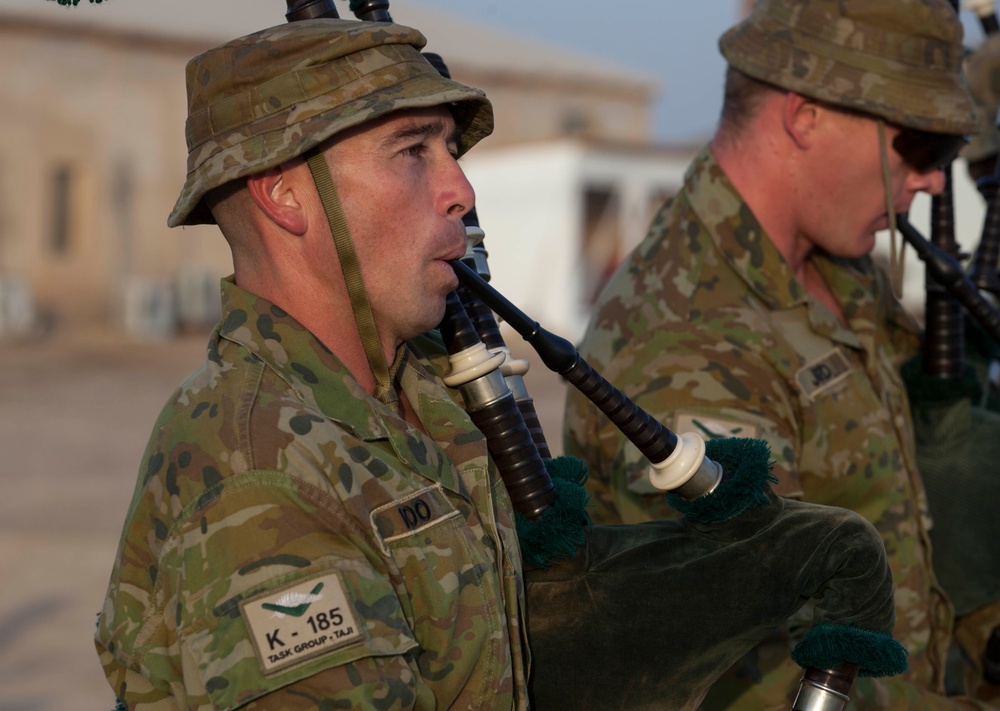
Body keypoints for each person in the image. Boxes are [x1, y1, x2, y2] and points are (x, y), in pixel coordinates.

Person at [563, 0, 1000, 708]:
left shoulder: (837, 266)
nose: (932, 182)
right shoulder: (689, 340)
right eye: (921, 146)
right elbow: (764, 674)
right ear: (805, 117)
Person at [93, 18, 530, 709]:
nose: (461, 190)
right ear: (284, 195)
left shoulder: (422, 385)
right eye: (414, 150)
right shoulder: (258, 466)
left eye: (450, 148)